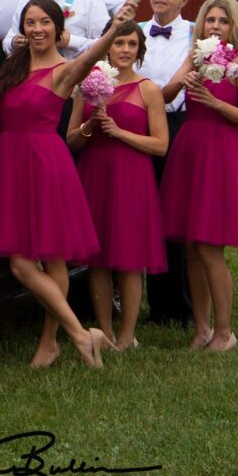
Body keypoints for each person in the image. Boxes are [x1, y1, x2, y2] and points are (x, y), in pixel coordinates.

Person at [0, 0, 137, 367]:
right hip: (11, 164)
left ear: (58, 29)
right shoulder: (13, 67)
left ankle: (55, 341)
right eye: (30, 22)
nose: (37, 29)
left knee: (48, 259)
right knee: (24, 261)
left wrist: (114, 28)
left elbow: (91, 56)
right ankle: (78, 335)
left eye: (44, 22)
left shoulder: (64, 70)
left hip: (45, 164)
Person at [160, 0, 238, 353]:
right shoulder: (196, 56)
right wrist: (184, 74)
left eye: (222, 21)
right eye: (209, 20)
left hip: (220, 152)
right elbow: (165, 95)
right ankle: (201, 328)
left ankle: (224, 331)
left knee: (210, 246)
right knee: (190, 246)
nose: (215, 26)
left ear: (234, 26)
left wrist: (217, 102)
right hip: (190, 147)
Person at [65, 21, 168, 350]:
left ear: (139, 50)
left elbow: (160, 145)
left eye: (132, 44)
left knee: (129, 258)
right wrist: (90, 125)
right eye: (120, 43)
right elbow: (70, 140)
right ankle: (106, 332)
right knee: (98, 259)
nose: (125, 50)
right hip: (95, 175)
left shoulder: (148, 89)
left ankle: (126, 336)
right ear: (108, 46)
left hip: (132, 179)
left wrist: (120, 133)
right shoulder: (90, 86)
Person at [137, 0, 195, 326]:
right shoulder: (136, 34)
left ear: (184, 0)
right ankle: (158, 307)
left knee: (178, 214)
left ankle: (186, 305)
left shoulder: (195, 35)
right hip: (139, 127)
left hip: (180, 125)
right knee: (151, 215)